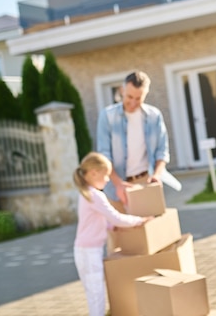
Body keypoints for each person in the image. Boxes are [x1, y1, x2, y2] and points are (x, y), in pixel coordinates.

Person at [72, 151, 152, 316]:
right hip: (89, 253)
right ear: (94, 173)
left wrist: (110, 226)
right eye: (106, 175)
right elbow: (115, 217)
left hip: (85, 251)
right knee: (96, 295)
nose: (108, 179)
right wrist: (139, 220)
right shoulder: (95, 195)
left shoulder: (87, 193)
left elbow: (97, 218)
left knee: (94, 294)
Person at [97, 70, 170, 212]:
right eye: (129, 96)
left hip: (145, 182)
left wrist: (156, 175)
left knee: (151, 229)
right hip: (116, 184)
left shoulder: (154, 116)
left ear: (145, 94)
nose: (133, 102)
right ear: (122, 90)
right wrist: (118, 184)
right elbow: (104, 156)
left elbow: (163, 151)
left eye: (138, 98)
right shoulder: (107, 117)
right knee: (122, 233)